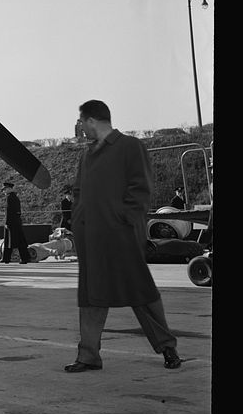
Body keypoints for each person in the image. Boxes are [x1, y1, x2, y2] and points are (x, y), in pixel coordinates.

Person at [66, 99, 181, 372]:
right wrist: (78, 222)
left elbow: (141, 188)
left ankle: (167, 348)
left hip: (121, 237)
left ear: (92, 120)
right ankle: (89, 356)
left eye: (82, 123)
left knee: (141, 294)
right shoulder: (87, 155)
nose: (80, 129)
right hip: (92, 239)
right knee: (91, 298)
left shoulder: (130, 147)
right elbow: (80, 191)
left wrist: (125, 222)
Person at [1, 183, 28, 264]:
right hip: (16, 222)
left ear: (9, 189)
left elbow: (9, 212)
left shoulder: (9, 198)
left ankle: (7, 258)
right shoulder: (15, 197)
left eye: (5, 189)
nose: (4, 191)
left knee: (10, 241)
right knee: (19, 241)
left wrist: (6, 222)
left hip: (11, 222)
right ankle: (24, 257)